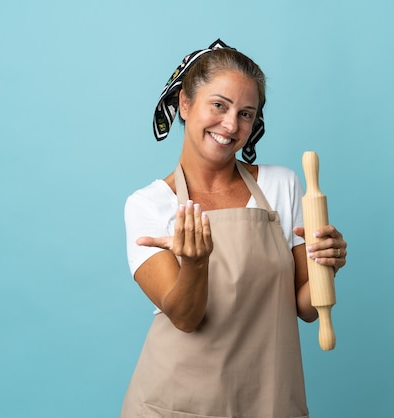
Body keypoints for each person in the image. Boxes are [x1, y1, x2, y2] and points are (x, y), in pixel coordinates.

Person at [120, 39, 347, 418]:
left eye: (245, 113)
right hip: (174, 404)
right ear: (185, 104)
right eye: (219, 105)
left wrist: (328, 266)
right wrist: (195, 263)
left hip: (268, 399)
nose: (230, 125)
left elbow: (304, 308)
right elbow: (186, 318)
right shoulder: (148, 205)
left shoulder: (281, 185)